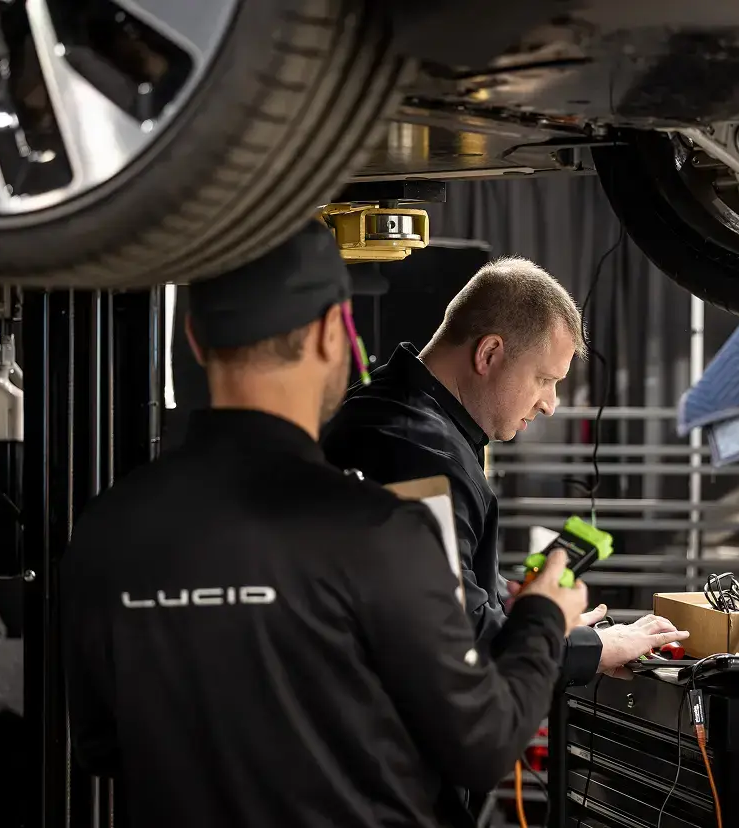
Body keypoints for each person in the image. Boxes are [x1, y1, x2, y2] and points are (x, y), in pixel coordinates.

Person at [60, 223, 592, 828]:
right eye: (547, 381)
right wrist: (545, 616)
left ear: (194, 337)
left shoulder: (108, 530)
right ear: (334, 334)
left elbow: (102, 745)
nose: (548, 400)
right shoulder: (385, 532)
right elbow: (483, 743)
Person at [322, 256, 688, 687]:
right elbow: (456, 635)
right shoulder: (419, 453)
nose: (550, 403)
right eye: (544, 379)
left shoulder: (395, 410)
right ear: (490, 352)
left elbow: (441, 584)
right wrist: (593, 647)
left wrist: (529, 612)